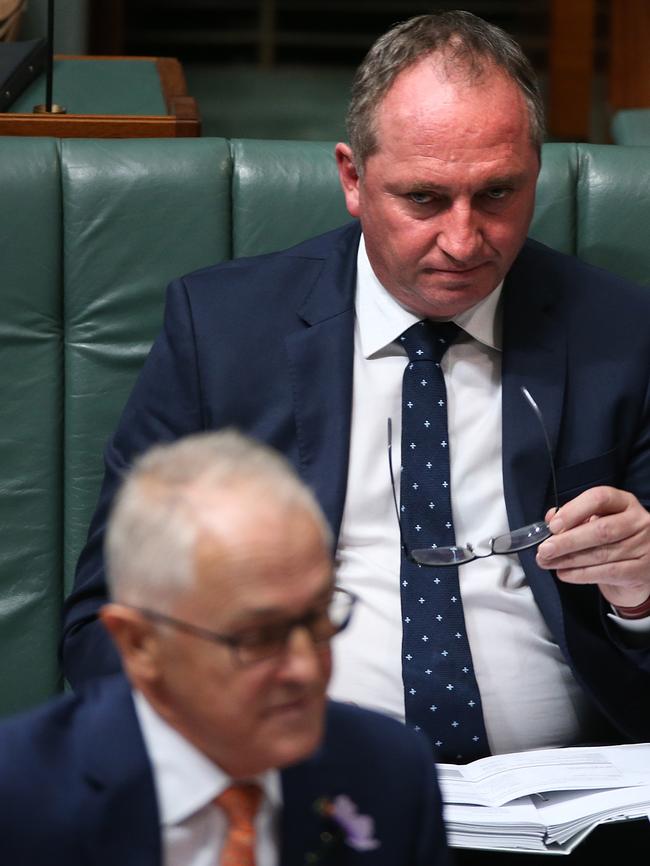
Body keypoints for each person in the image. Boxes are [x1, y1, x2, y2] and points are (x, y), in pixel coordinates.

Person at [63, 10, 650, 767]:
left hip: (573, 798)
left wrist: (638, 594)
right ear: (352, 179)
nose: (465, 241)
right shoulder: (223, 333)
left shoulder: (622, 334)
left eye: (498, 195)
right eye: (425, 199)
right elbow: (105, 624)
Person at [0, 431, 448, 866]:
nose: (307, 669)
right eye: (258, 638)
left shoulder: (390, 772)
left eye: (316, 617)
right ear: (139, 645)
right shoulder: (20, 800)